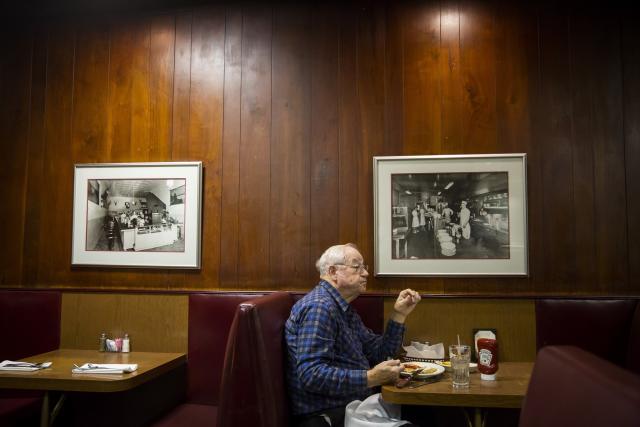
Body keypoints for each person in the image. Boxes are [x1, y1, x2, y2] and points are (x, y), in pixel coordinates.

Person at [285, 243, 421, 427]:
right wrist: (371, 377)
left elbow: (380, 352)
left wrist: (399, 314)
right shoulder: (320, 307)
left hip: (355, 404)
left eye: (364, 267)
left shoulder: (343, 308)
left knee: (430, 412)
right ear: (333, 272)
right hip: (328, 413)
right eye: (357, 267)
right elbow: (311, 375)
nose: (365, 273)